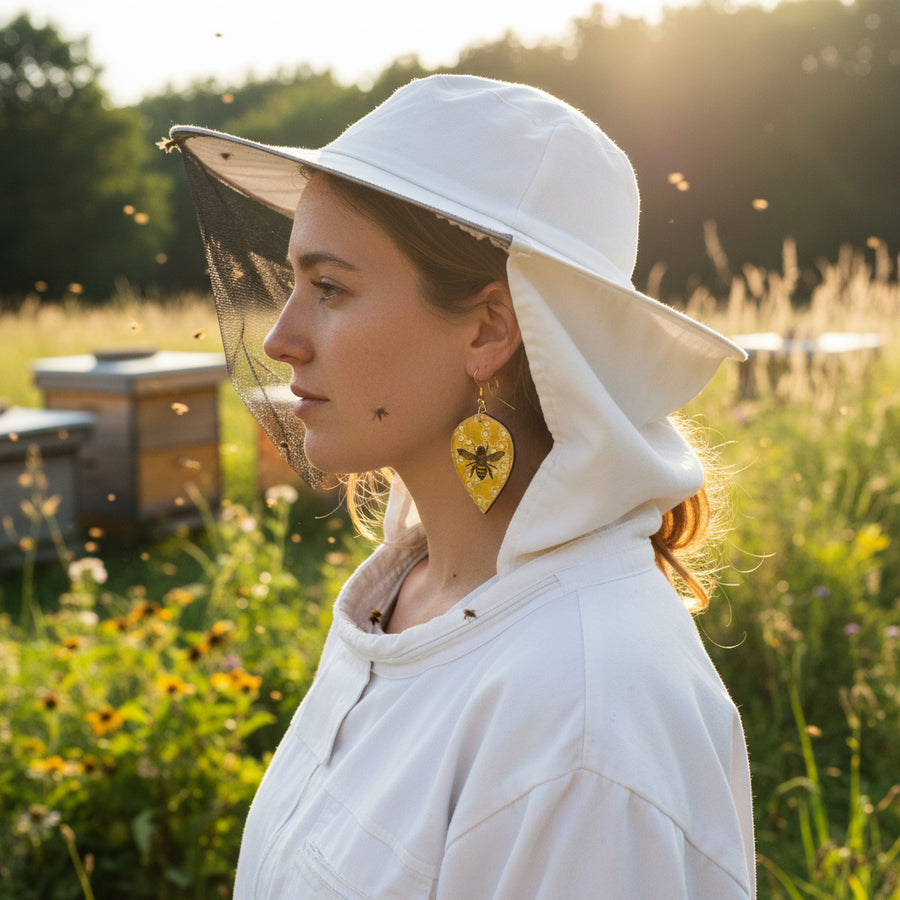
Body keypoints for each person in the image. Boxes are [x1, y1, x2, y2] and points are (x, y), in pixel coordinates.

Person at [168, 74, 756, 898]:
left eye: (329, 287)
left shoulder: (581, 718)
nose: (281, 337)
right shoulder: (414, 589)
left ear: (488, 331)